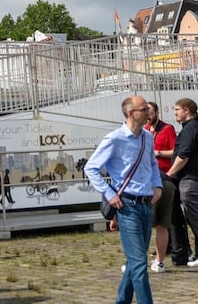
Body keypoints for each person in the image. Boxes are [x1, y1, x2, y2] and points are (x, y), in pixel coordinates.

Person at [84, 95, 163, 304]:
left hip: (147, 203)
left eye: (148, 109)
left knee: (135, 261)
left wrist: (157, 185)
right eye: (144, 109)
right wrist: (109, 194)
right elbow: (91, 168)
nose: (148, 113)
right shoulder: (115, 139)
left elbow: (152, 164)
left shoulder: (147, 137)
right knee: (139, 262)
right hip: (127, 205)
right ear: (130, 113)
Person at [167, 97, 198, 268]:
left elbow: (183, 156)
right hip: (191, 178)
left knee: (195, 216)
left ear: (186, 110)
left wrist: (169, 174)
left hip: (191, 179)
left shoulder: (191, 128)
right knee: (194, 216)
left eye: (177, 109)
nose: (175, 113)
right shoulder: (193, 127)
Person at [145, 102, 177, 273]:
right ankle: (139, 260)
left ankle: (160, 261)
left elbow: (175, 151)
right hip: (147, 180)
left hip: (164, 178)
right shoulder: (144, 130)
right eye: (145, 112)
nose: (148, 116)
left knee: (162, 223)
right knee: (144, 223)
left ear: (157, 112)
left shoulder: (167, 129)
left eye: (150, 112)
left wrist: (157, 153)